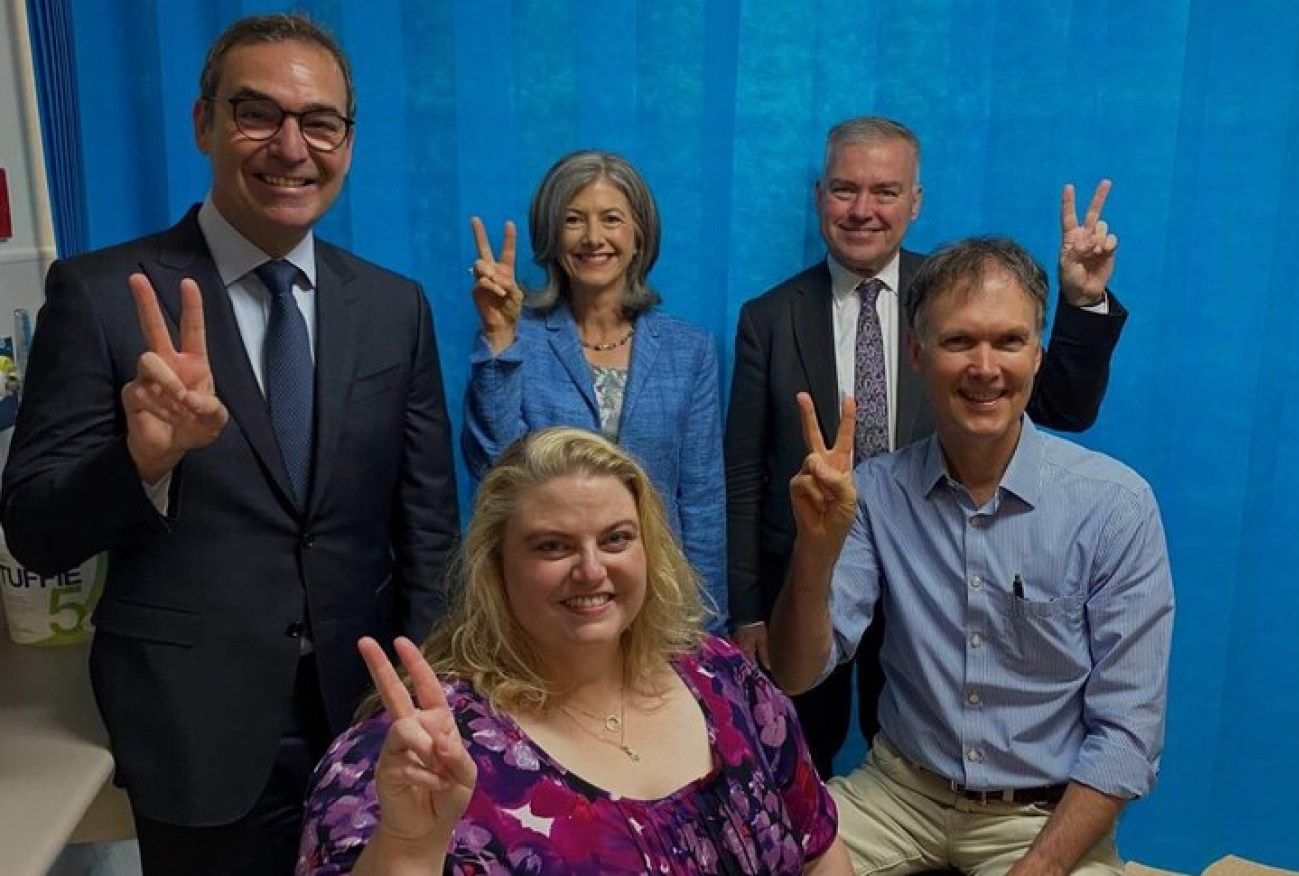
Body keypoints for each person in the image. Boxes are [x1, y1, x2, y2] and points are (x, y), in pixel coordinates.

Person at [0, 13, 458, 874]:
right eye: (258, 114)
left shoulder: (396, 309)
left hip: (364, 716)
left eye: (319, 121)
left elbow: (428, 523)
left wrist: (424, 693)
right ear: (204, 123)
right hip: (192, 726)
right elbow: (33, 524)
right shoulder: (103, 296)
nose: (292, 146)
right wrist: (143, 459)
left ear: (347, 143)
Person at [725, 115, 1129, 776]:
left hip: (933, 579)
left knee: (924, 765)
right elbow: (741, 472)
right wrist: (747, 610)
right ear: (819, 197)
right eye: (843, 189)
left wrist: (1082, 302)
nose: (862, 210)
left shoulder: (953, 296)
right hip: (811, 579)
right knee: (795, 762)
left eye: (884, 191)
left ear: (914, 203)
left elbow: (1065, 408)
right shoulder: (767, 318)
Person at [770, 236, 1174, 875]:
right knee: (755, 855)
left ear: (1038, 354)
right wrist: (814, 555)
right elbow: (795, 673)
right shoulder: (875, 491)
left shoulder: (1115, 507)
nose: (985, 367)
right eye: (959, 341)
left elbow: (1127, 737)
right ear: (917, 354)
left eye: (1009, 341)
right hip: (898, 794)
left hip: (1039, 817)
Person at [298, 427, 851, 875]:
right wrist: (408, 843)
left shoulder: (725, 679)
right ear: (496, 568)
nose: (591, 570)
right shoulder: (419, 751)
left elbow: (819, 849)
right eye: (552, 546)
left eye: (615, 539)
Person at [461, 149, 727, 630]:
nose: (593, 238)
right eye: (573, 220)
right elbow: (493, 473)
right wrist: (500, 339)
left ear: (638, 234)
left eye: (611, 219)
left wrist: (707, 629)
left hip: (660, 604)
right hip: (554, 599)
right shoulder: (519, 337)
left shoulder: (690, 350)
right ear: (551, 234)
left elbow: (702, 500)